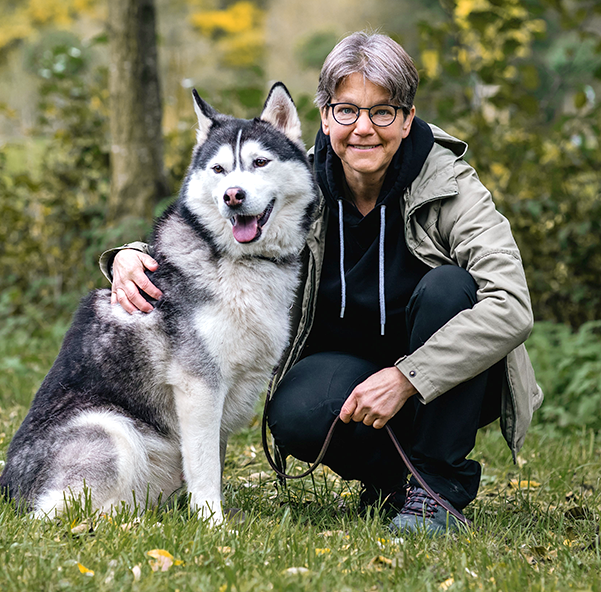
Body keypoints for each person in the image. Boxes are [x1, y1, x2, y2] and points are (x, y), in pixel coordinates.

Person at [99, 31, 543, 535]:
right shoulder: (292, 184)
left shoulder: (451, 187)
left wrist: (408, 377)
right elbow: (209, 232)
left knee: (450, 289)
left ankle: (437, 489)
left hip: (446, 380)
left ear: (407, 118)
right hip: (347, 372)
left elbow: (511, 306)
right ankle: (396, 483)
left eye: (383, 111)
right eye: (347, 110)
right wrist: (130, 257)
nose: (364, 129)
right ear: (325, 116)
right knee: (297, 412)